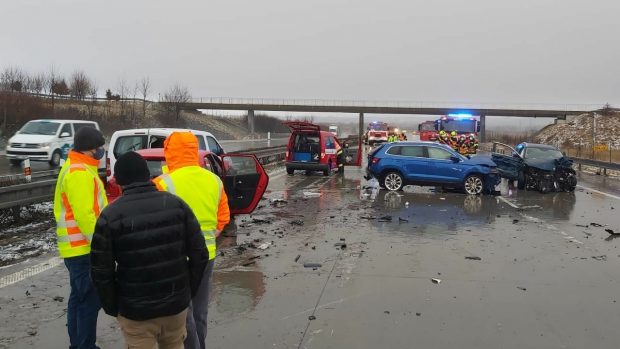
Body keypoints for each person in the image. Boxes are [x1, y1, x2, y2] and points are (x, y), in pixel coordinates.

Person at [91, 152, 208, 349]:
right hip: (175, 307)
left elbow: (101, 271)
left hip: (136, 311)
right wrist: (186, 291)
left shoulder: (110, 216)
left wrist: (114, 307)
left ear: (118, 181)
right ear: (148, 175)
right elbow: (200, 254)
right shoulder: (176, 205)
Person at [153, 132, 230, 349]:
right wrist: (210, 236)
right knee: (200, 311)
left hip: (176, 259)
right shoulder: (214, 180)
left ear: (169, 151)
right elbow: (223, 216)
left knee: (182, 314)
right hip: (206, 255)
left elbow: (156, 224)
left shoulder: (162, 183)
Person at [53, 126, 107, 349]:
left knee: (78, 298)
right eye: (99, 148)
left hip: (76, 249)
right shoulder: (80, 173)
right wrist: (102, 245)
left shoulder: (76, 167)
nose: (102, 151)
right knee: (89, 303)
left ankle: (77, 345)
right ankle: (85, 346)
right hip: (84, 249)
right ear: (89, 150)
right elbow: (86, 215)